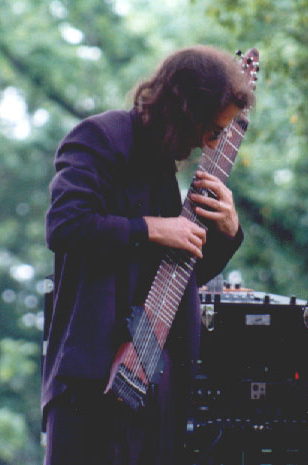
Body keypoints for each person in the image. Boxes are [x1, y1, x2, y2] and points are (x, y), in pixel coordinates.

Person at [43, 45, 255, 465]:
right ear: (187, 109)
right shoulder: (100, 138)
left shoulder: (162, 168)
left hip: (156, 383)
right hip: (89, 381)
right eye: (213, 130)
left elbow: (176, 282)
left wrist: (229, 231)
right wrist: (153, 228)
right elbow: (65, 225)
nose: (211, 143)